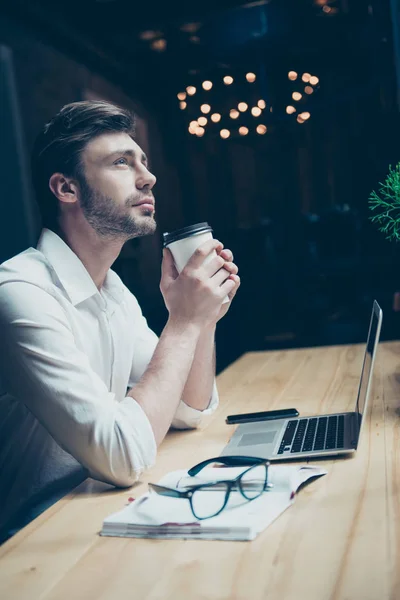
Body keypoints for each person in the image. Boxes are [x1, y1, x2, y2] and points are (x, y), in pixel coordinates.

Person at [0, 101, 240, 542]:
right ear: (66, 188)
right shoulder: (19, 294)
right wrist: (183, 324)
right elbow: (122, 455)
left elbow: (191, 409)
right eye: (121, 162)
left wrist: (201, 319)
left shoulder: (112, 290)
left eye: (143, 162)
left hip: (96, 514)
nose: (148, 177)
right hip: (30, 542)